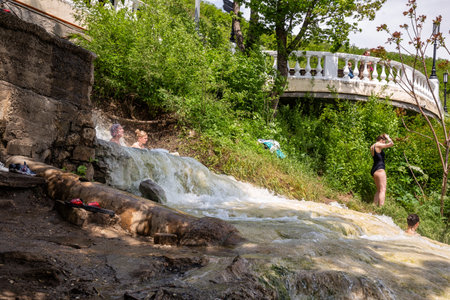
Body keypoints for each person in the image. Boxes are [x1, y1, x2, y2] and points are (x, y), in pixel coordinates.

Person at [370, 133, 394, 206]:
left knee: (379, 190)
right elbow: (391, 144)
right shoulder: (378, 145)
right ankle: (381, 208)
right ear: (381, 140)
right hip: (380, 169)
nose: (385, 142)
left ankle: (374, 205)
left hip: (374, 169)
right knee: (383, 190)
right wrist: (388, 137)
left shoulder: (372, 146)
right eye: (384, 140)